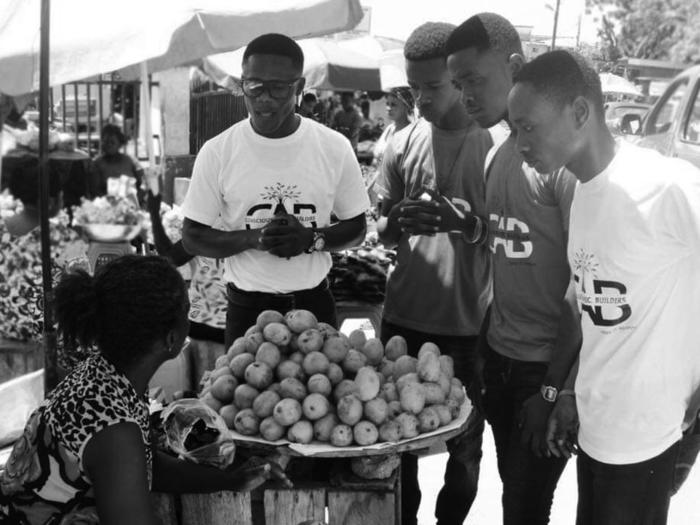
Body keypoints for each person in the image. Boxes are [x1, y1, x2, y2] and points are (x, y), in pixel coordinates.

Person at [509, 50, 700, 525]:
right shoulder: (585, 192)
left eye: (528, 128)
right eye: (514, 130)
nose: (519, 144)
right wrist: (564, 395)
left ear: (579, 113)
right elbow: (587, 298)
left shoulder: (666, 186)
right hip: (597, 428)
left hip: (646, 435)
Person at [0, 255, 290, 524]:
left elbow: (145, 465)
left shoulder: (105, 377)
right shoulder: (114, 429)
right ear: (171, 338)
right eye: (187, 313)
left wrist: (230, 480)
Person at [445, 13, 581, 524]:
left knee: (525, 508)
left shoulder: (559, 164)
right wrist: (470, 229)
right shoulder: (497, 155)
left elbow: (583, 285)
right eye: (459, 86)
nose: (466, 97)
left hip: (542, 369)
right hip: (497, 357)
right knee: (510, 496)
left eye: (475, 80)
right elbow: (509, 244)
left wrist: (554, 390)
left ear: (516, 66)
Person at [375, 22, 500, 525]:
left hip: (468, 325)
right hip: (404, 317)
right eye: (413, 88)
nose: (421, 99)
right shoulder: (401, 144)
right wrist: (397, 220)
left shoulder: (495, 145)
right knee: (395, 443)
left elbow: (510, 239)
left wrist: (467, 225)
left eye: (433, 86)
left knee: (465, 451)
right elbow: (381, 228)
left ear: (457, 78)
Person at [181, 33, 369, 348]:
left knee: (322, 396)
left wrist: (312, 239)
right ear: (242, 83)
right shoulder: (218, 151)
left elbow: (357, 229)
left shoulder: (334, 147)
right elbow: (192, 236)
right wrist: (253, 238)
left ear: (299, 87)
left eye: (278, 88)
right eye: (253, 85)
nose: (263, 98)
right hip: (247, 311)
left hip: (313, 307)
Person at [0, 156, 89, 370]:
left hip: (5, 355)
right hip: (52, 363)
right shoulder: (65, 241)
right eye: (60, 194)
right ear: (49, 201)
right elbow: (84, 307)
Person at [147, 189, 228, 391]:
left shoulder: (208, 226)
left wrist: (154, 215)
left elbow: (170, 257)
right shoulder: (212, 224)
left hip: (211, 326)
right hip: (212, 327)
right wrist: (154, 215)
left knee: (212, 400)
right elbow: (171, 256)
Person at [89, 123, 145, 204]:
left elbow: (144, 182)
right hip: (107, 208)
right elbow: (95, 191)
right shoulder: (97, 164)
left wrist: (137, 199)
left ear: (120, 143)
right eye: (106, 142)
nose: (109, 145)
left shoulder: (130, 161)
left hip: (132, 206)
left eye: (112, 142)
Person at [372, 87, 415, 167]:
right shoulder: (389, 129)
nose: (389, 108)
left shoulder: (411, 133)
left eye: (393, 105)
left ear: (406, 106)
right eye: (387, 104)